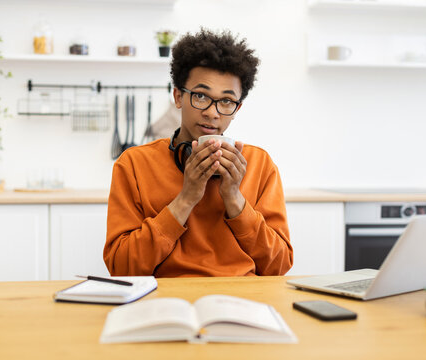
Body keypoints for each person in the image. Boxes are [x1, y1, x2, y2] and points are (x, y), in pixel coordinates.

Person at [104, 29, 293, 277]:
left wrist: (234, 198)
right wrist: (186, 198)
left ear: (237, 109)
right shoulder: (134, 164)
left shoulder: (260, 165)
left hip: (242, 301)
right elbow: (121, 267)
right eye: (201, 96)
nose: (213, 113)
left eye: (226, 101)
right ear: (178, 96)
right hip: (166, 300)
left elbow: (278, 266)